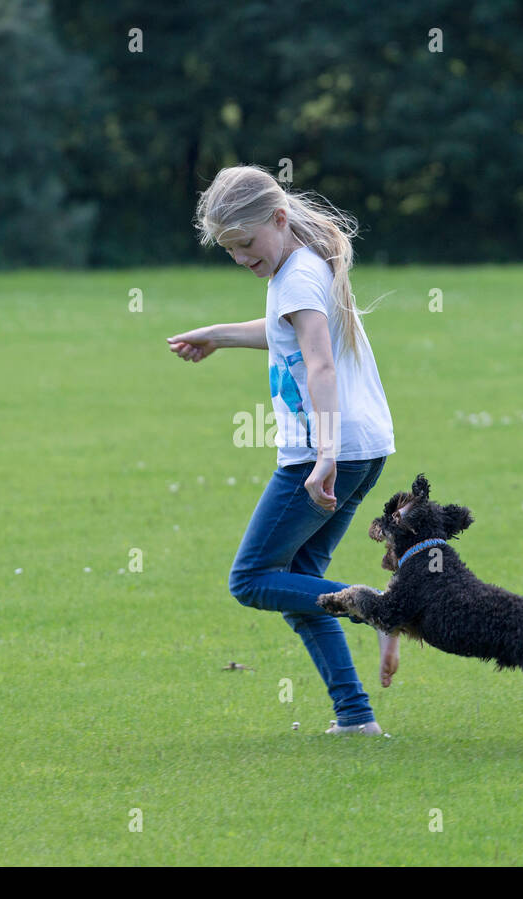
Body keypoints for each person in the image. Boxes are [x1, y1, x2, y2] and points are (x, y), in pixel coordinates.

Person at [166, 164, 398, 734]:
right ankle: (355, 717)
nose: (242, 258)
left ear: (277, 219)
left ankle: (385, 611)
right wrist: (217, 334)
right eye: (229, 251)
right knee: (300, 586)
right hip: (360, 448)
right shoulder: (302, 267)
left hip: (326, 453)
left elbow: (318, 361)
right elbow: (284, 330)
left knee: (250, 579)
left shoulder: (295, 276)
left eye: (245, 244)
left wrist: (322, 456)